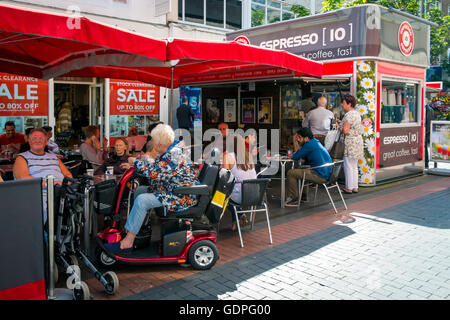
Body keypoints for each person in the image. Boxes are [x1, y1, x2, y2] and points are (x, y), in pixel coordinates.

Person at [107, 124, 199, 252]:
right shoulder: (172, 150)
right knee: (140, 191)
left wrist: (135, 162)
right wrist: (143, 163)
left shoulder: (174, 154)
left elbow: (155, 173)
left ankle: (128, 241)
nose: (154, 145)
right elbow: (160, 168)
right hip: (172, 191)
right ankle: (138, 229)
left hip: (180, 196)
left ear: (161, 143)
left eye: (155, 142)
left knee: (142, 200)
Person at [13, 128, 72, 221]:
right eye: (34, 138)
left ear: (46, 141)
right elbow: (23, 178)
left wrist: (63, 184)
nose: (38, 141)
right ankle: (48, 234)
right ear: (29, 141)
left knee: (80, 206)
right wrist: (50, 184)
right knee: (46, 209)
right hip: (39, 194)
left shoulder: (54, 157)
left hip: (61, 192)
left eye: (41, 138)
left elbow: (68, 174)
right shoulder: (22, 158)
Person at [285, 127, 332, 207]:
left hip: (320, 175)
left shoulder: (309, 144)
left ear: (306, 138)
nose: (298, 139)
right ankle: (303, 196)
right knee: (303, 169)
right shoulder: (314, 142)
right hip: (325, 172)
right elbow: (300, 155)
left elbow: (296, 156)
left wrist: (294, 142)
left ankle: (294, 198)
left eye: (299, 137)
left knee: (290, 173)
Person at [223, 136, 257, 231]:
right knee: (230, 195)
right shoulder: (248, 156)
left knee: (220, 196)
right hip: (255, 196)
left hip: (240, 196)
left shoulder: (228, 157)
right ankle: (237, 218)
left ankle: (239, 216)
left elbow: (225, 179)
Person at [339, 94, 364, 194]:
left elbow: (345, 130)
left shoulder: (348, 115)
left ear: (349, 104)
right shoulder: (357, 114)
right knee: (354, 166)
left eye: (344, 103)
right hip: (357, 142)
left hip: (350, 143)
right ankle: (355, 187)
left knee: (348, 165)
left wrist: (339, 127)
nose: (342, 104)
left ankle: (349, 188)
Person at [424, 98, 434, 168]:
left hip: (426, 132)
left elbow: (429, 123)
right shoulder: (426, 109)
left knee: (425, 148)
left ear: (426, 102)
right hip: (425, 132)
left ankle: (426, 163)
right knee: (424, 147)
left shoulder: (429, 110)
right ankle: (425, 163)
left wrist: (426, 132)